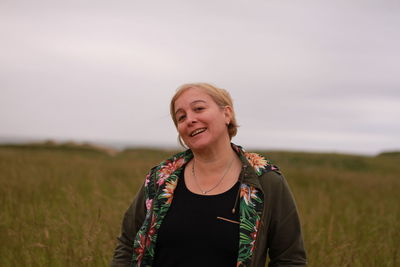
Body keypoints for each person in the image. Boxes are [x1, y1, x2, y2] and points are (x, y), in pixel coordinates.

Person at [111, 83, 307, 267]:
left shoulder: (265, 180)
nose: (190, 119)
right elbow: (128, 244)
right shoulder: (160, 179)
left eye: (199, 109)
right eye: (181, 117)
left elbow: (289, 259)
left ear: (226, 113)